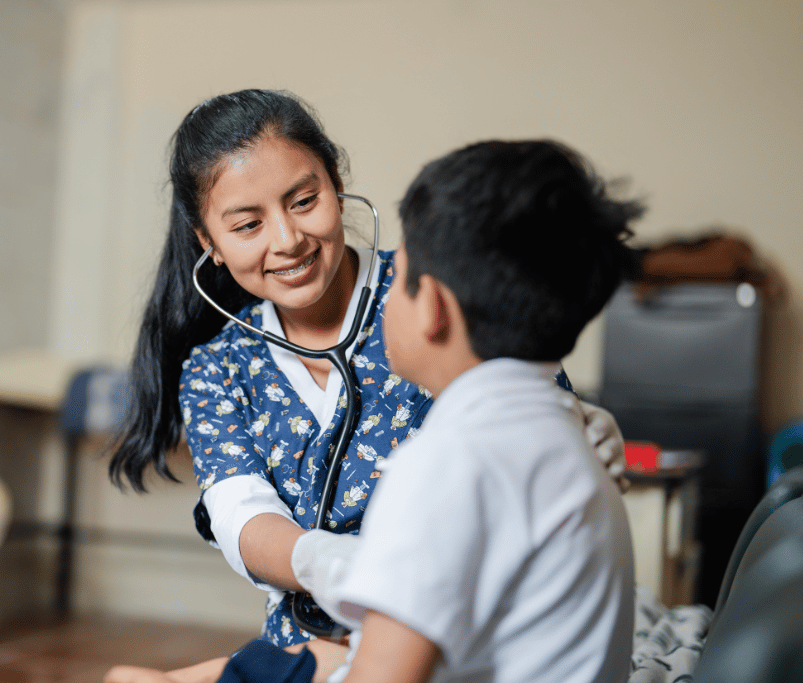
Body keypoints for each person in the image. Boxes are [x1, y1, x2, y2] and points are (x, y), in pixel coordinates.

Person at [105, 138, 639, 683]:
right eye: (248, 225)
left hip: (412, 641)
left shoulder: (445, 450)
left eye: (304, 201)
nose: (287, 240)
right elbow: (241, 517)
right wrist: (334, 563)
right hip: (342, 640)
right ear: (208, 241)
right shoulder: (217, 366)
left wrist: (569, 418)